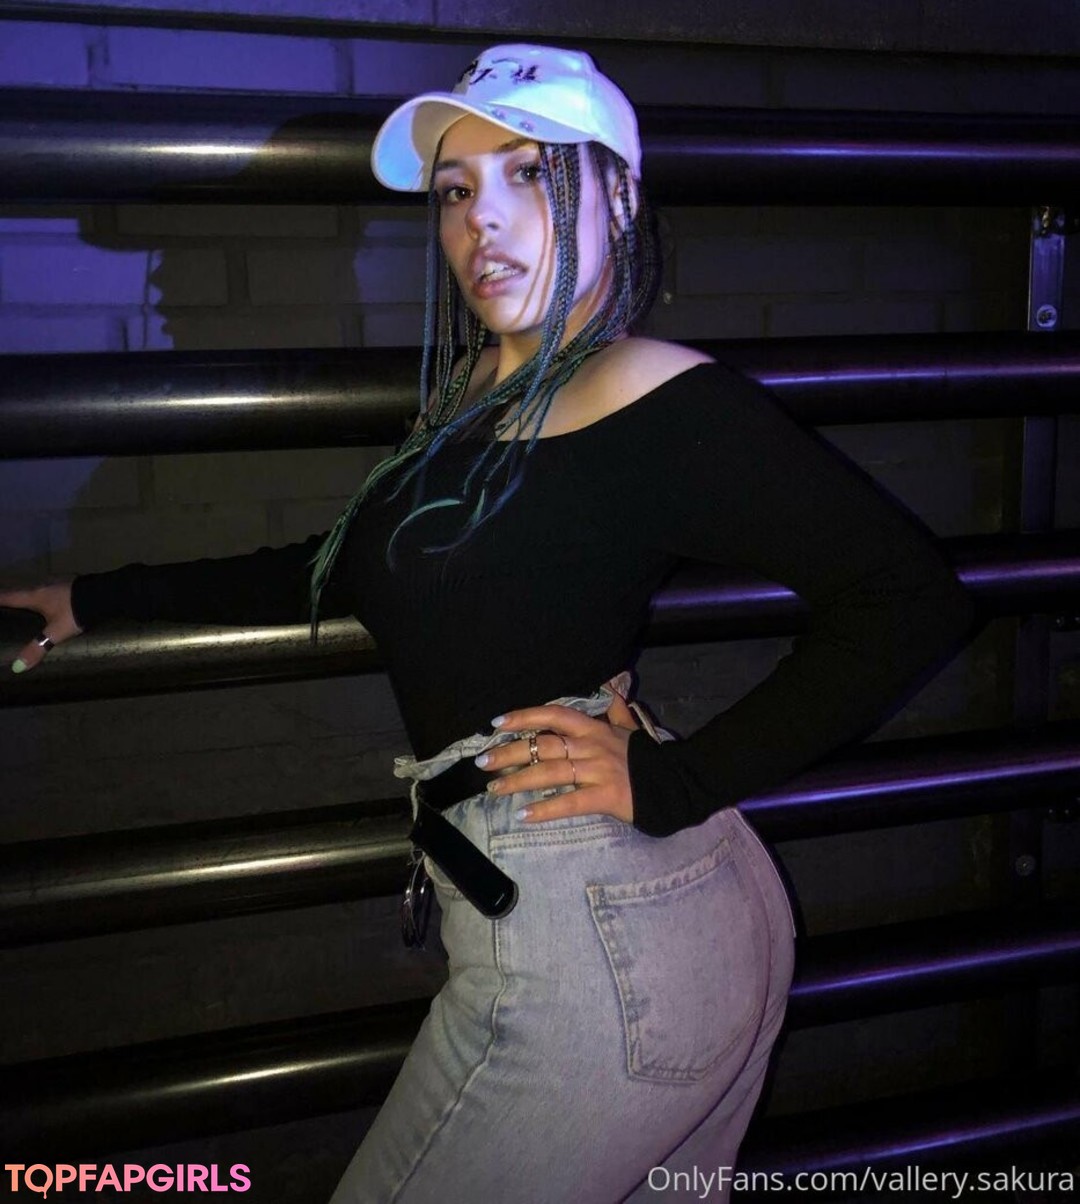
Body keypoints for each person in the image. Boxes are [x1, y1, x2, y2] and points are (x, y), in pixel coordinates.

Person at [0, 44, 973, 1204]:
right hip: (631, 921)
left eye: (527, 174)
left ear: (618, 195)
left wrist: (678, 779)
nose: (482, 220)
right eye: (457, 189)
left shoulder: (649, 391)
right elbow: (337, 570)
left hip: (592, 939)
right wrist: (94, 599)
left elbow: (911, 601)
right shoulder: (472, 398)